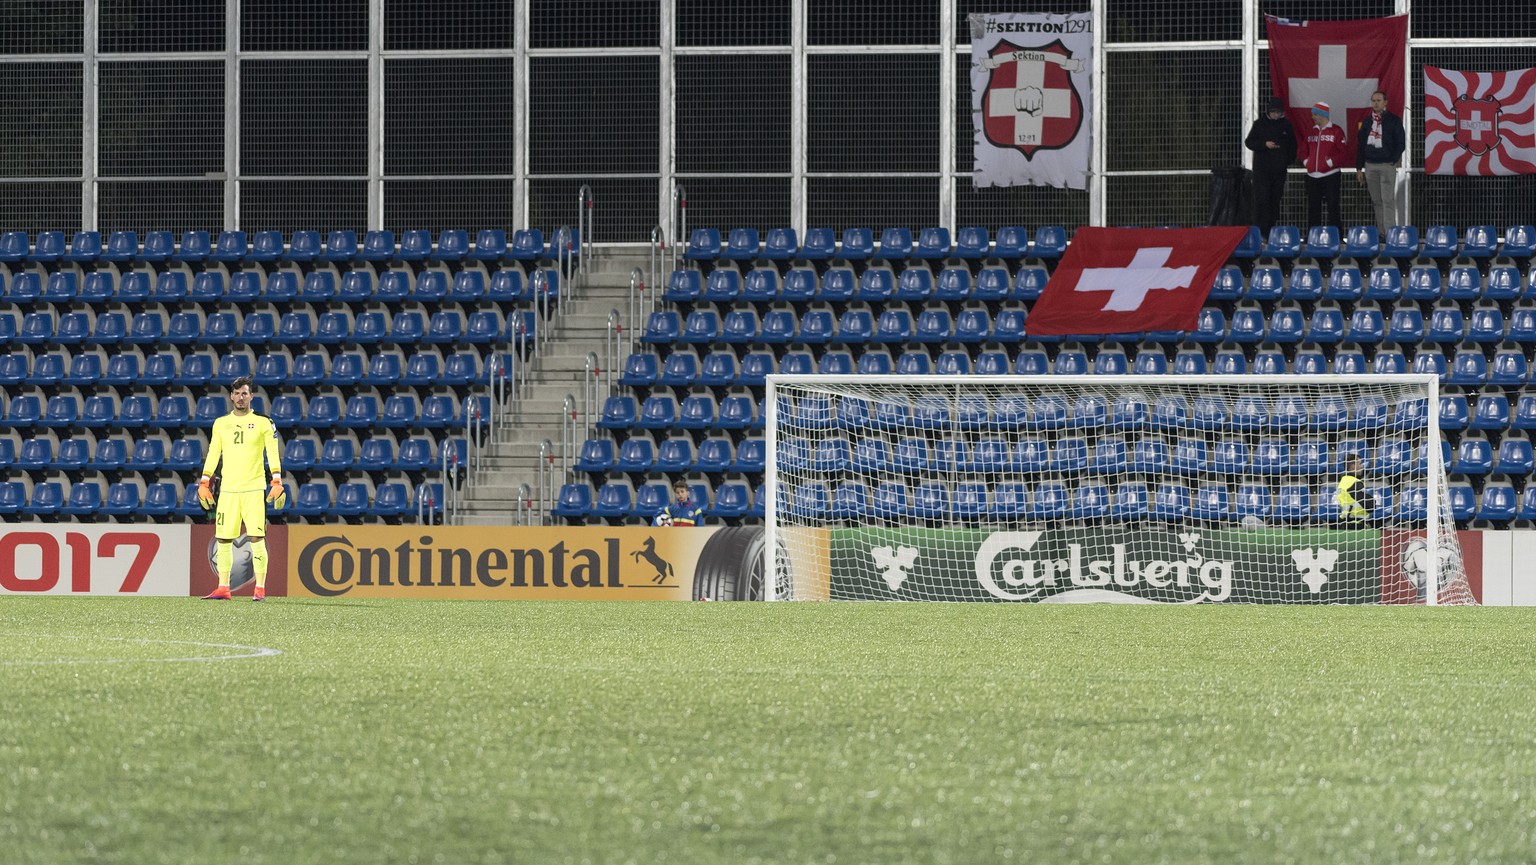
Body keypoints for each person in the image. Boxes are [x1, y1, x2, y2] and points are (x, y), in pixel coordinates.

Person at [199, 376, 285, 600]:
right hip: (227, 490)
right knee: (223, 539)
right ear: (231, 396)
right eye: (236, 394)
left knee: (256, 538)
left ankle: (260, 589)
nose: (240, 397)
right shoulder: (221, 423)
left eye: (244, 393)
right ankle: (223, 588)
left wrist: (277, 481)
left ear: (251, 396)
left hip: (254, 489)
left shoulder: (264, 422)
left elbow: (272, 452)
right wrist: (204, 481)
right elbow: (213, 453)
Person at [1244, 95, 1297, 236]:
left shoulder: (1286, 125)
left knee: (1275, 200)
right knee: (1262, 200)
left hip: (1279, 171)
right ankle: (1260, 232)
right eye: (1273, 112)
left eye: (1278, 112)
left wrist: (1286, 160)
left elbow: (1293, 146)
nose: (1275, 115)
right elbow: (1249, 142)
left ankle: (1271, 231)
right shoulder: (1259, 124)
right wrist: (1264, 145)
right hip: (1262, 171)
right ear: (1268, 111)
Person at [1355, 90, 1406, 237]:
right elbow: (1360, 145)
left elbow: (1400, 143)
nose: (1375, 103)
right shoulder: (1367, 122)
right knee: (1376, 201)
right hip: (1370, 165)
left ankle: (1391, 233)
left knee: (1387, 200)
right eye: (1373, 100)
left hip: (1386, 165)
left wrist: (1392, 159)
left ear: (1385, 103)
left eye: (1378, 100)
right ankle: (1382, 232)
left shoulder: (1393, 120)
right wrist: (1359, 168)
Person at [1301, 101, 1349, 231]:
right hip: (1312, 176)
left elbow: (1343, 152)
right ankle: (1312, 235)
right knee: (1313, 207)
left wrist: (1329, 163)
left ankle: (1336, 236)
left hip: (1330, 175)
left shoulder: (1336, 130)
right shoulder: (1311, 131)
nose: (1312, 117)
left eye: (1314, 115)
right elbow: (1302, 150)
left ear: (1322, 115)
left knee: (1333, 206)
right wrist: (1307, 162)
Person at [1335, 454, 1376, 523]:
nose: (1362, 466)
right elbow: (1370, 505)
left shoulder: (1343, 481)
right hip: (1356, 524)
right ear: (1353, 466)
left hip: (1345, 521)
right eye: (1359, 464)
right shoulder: (1355, 483)